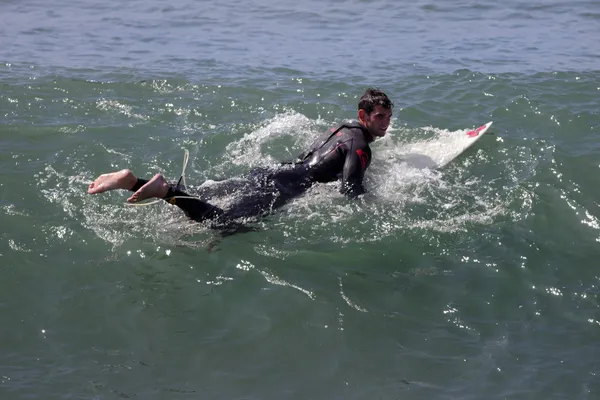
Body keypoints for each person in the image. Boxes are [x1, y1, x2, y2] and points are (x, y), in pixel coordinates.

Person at [88, 88, 393, 231]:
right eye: (380, 117)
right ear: (363, 116)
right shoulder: (360, 146)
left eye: (389, 117)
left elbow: (309, 158)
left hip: (272, 173)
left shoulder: (340, 130)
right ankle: (164, 190)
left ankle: (131, 181)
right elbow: (351, 188)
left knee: (204, 197)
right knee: (227, 224)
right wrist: (374, 208)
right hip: (286, 186)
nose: (385, 123)